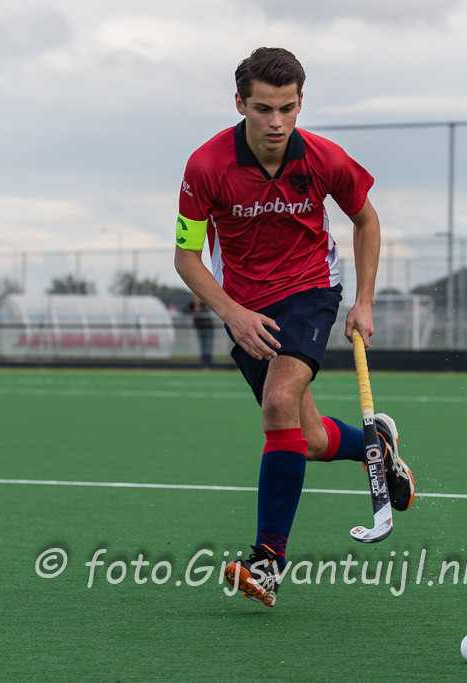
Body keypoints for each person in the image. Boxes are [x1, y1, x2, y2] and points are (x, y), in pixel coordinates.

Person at [174, 47, 416, 607]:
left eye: (287, 108)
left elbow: (366, 219)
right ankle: (376, 446)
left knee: (278, 403)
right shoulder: (206, 166)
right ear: (240, 104)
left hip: (310, 290)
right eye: (263, 109)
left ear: (301, 101)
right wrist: (232, 313)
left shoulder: (323, 157)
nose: (276, 122)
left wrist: (364, 301)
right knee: (306, 439)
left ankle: (267, 563)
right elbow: (186, 258)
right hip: (245, 307)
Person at [183, 294, 215, 367]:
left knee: (208, 345)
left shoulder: (203, 303)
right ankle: (204, 363)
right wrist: (191, 307)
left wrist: (198, 309)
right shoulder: (192, 305)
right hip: (200, 328)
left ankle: (208, 363)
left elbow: (205, 312)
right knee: (202, 345)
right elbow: (184, 311)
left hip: (208, 328)